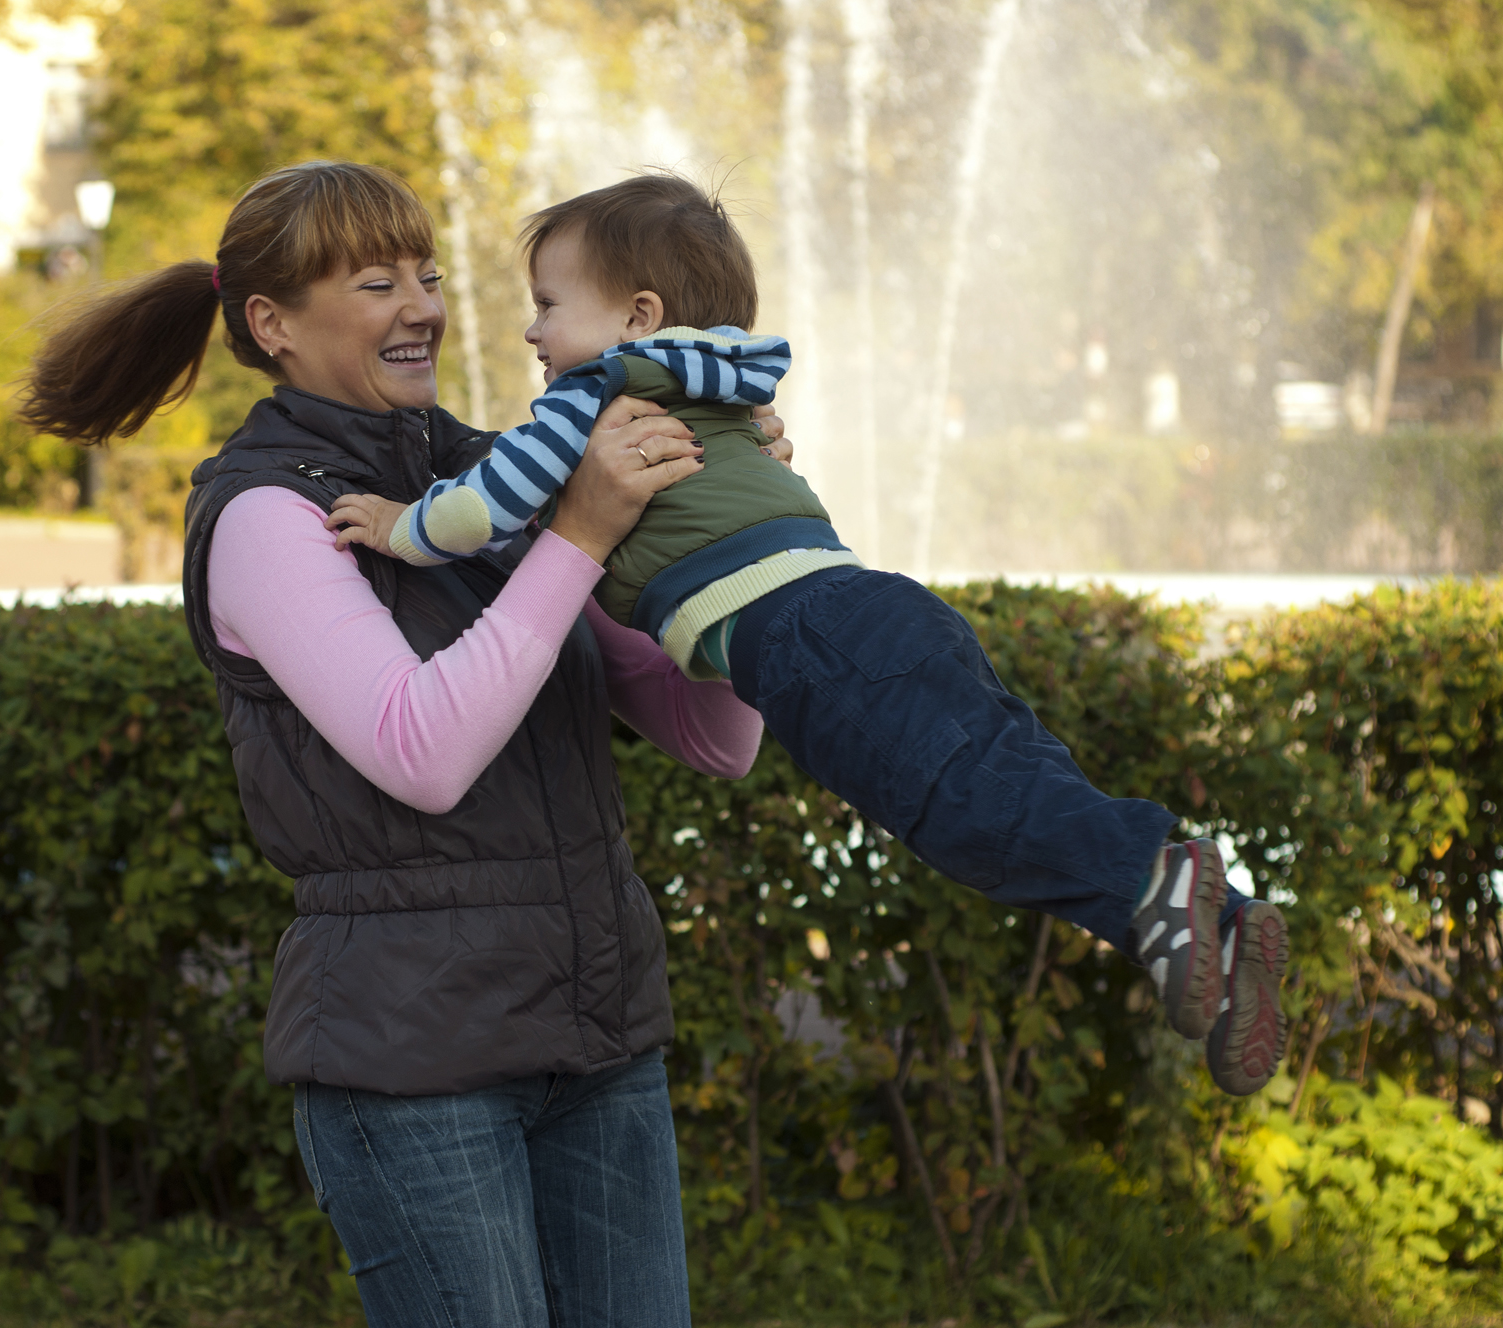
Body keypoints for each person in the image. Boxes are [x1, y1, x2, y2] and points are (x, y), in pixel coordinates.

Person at [328, 173, 1290, 1098]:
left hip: (808, 642)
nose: (532, 331)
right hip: (873, 608)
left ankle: (1160, 878)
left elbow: (483, 507)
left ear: (639, 316)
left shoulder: (594, 399)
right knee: (1004, 789)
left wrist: (399, 526)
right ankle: (1216, 926)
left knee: (961, 813)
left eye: (547, 305)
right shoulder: (726, 386)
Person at [19, 160, 774, 1327]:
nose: (421, 305)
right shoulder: (267, 514)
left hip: (598, 1038)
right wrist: (577, 535)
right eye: (376, 283)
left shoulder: (496, 478)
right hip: (413, 1069)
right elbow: (420, 749)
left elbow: (711, 733)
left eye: (426, 275)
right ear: (271, 323)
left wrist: (738, 534)